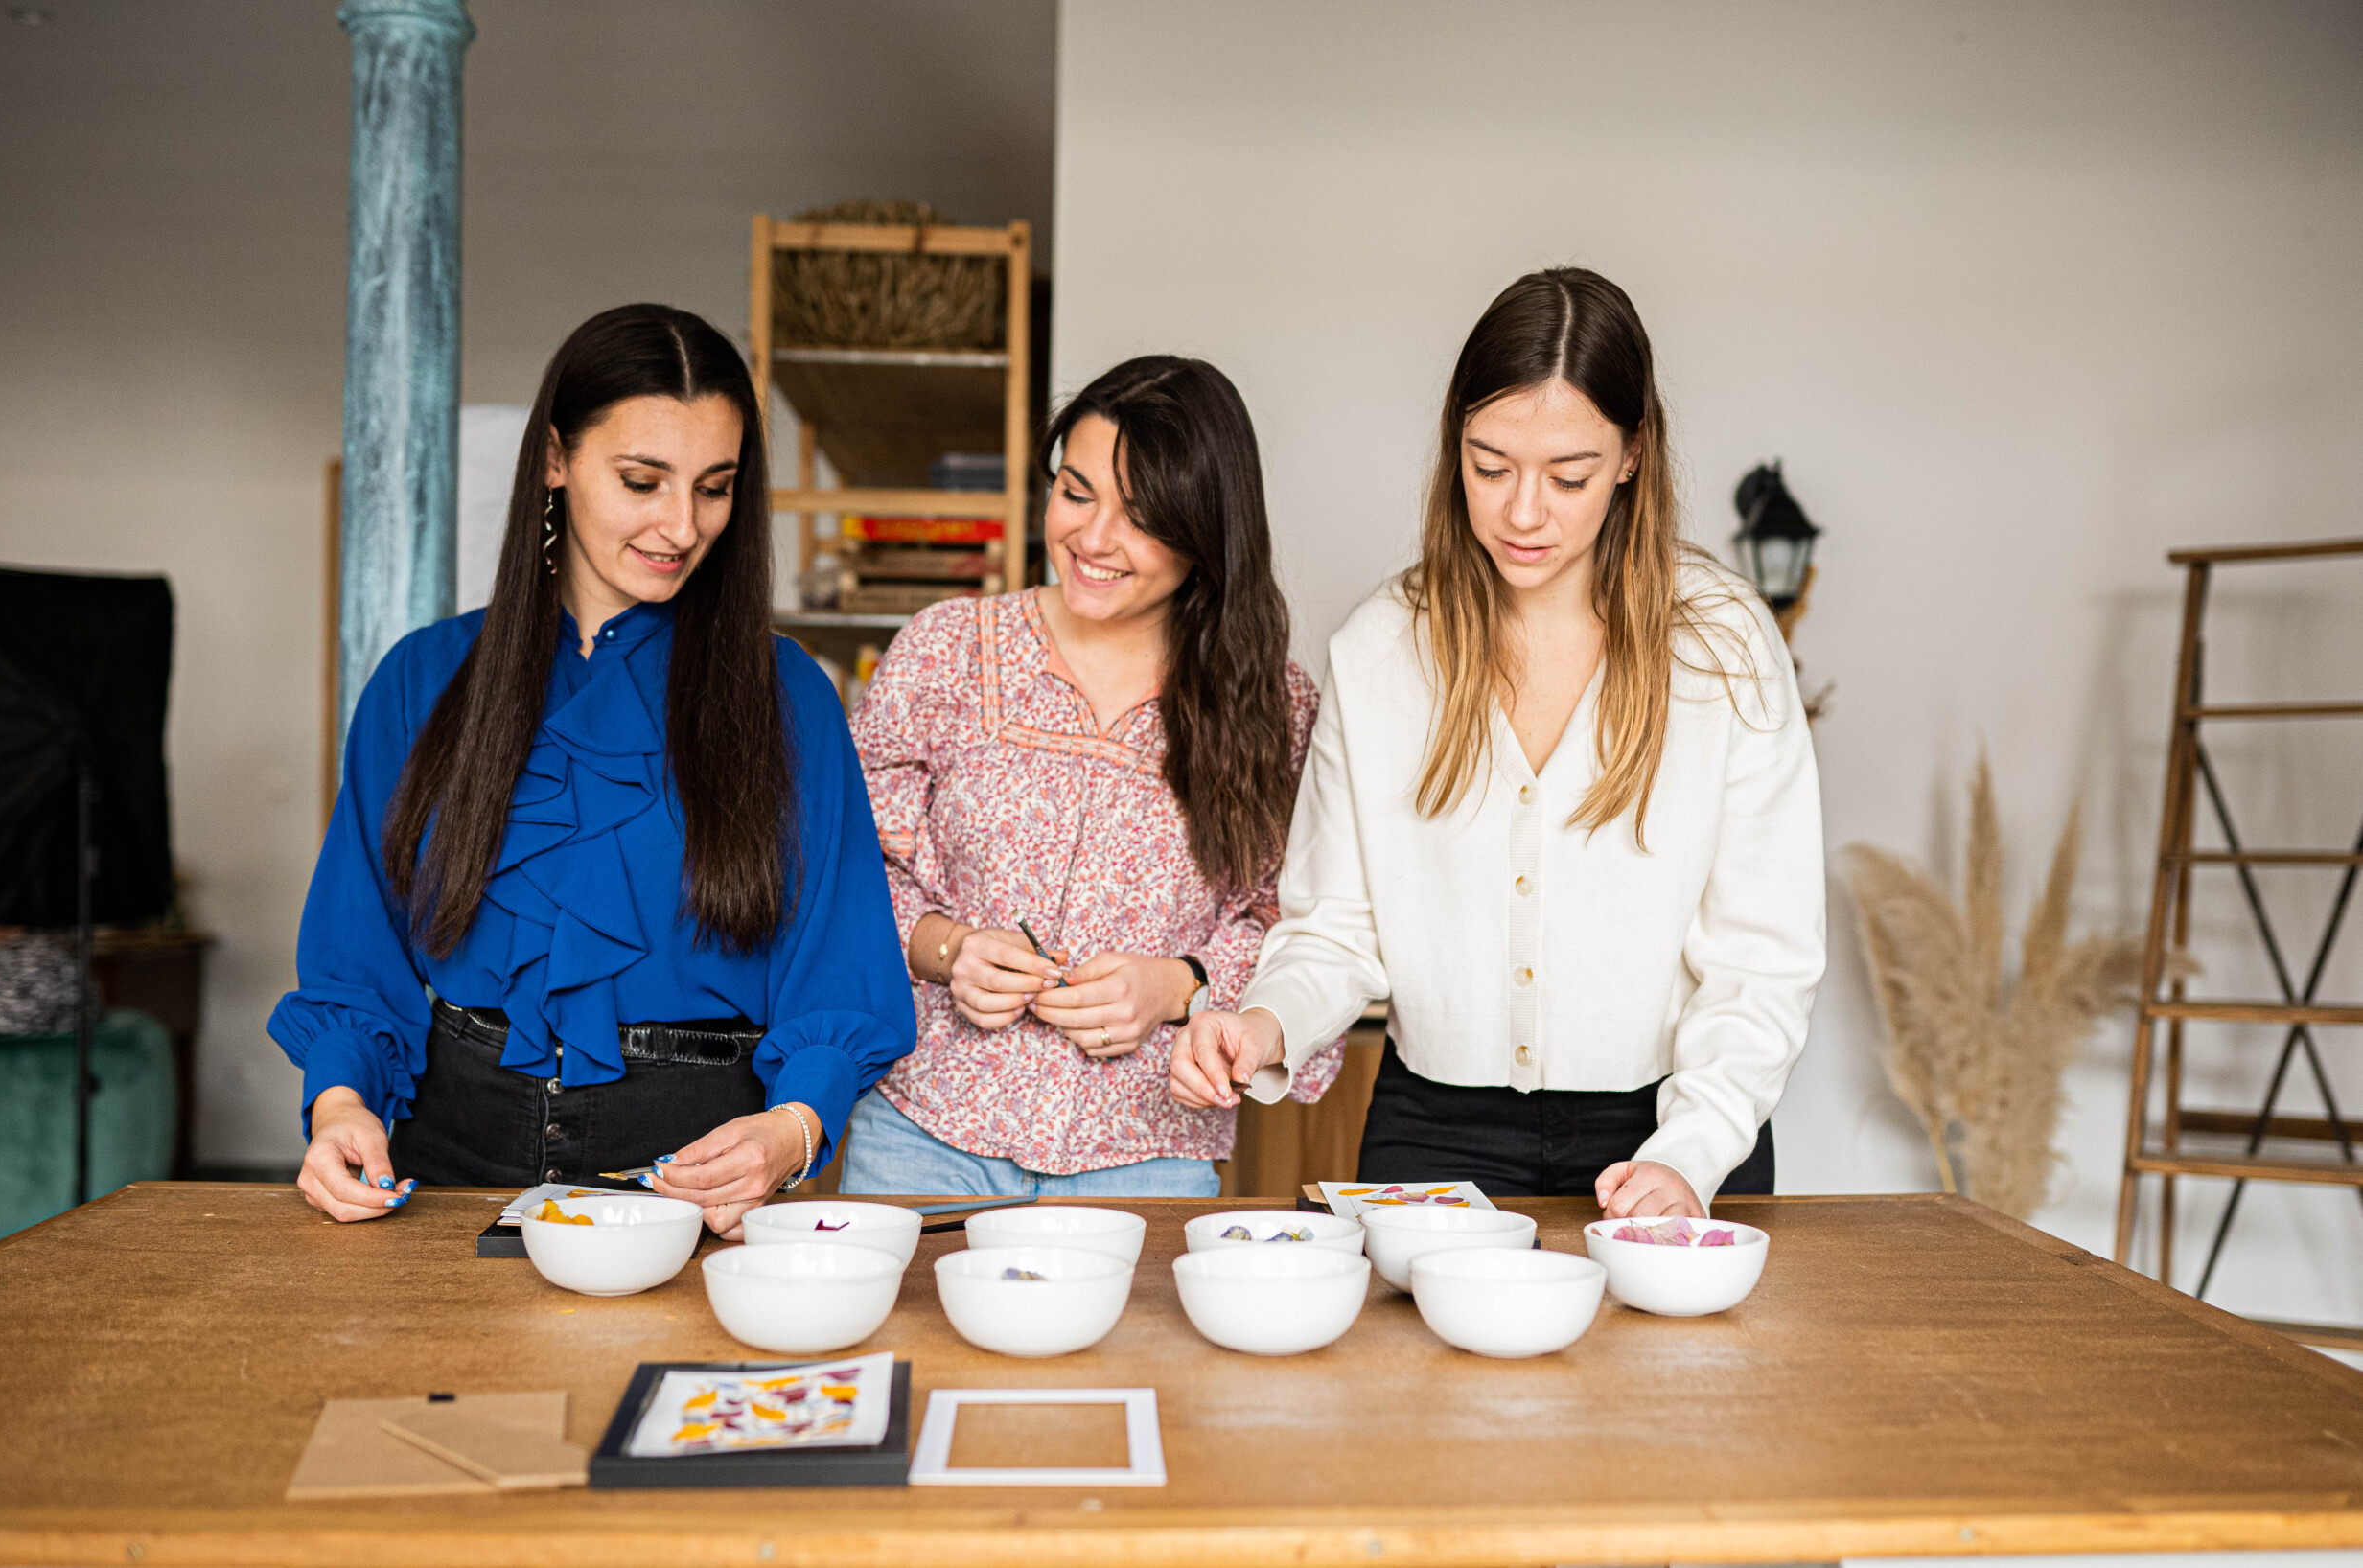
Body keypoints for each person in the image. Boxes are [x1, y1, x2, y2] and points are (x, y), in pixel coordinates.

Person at [1170, 268, 1824, 1216]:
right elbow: (1331, 929)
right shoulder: (1383, 646)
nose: (1524, 513)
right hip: (1434, 1126)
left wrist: (1690, 1149)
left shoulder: (1723, 643)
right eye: (1489, 466)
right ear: (1453, 447)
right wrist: (1265, 1023)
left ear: (1632, 456)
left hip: (1672, 1130)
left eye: (1569, 476)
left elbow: (1760, 960)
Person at [271, 304, 914, 1235]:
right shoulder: (422, 680)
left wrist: (791, 1126)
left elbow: (839, 957)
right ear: (555, 459)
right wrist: (339, 1104)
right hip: (441, 1147)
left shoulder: (786, 694)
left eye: (715, 487)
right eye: (643, 480)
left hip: (693, 1157)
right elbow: (356, 947)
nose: (682, 525)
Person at [843, 356, 1338, 1197]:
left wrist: (1177, 986)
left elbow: (1299, 923)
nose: (1093, 539)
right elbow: (844, 873)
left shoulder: (1274, 705)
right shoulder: (945, 650)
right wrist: (948, 950)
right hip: (923, 1135)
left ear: (1206, 532)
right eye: (1075, 493)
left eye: (1141, 516)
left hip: (1149, 1156)